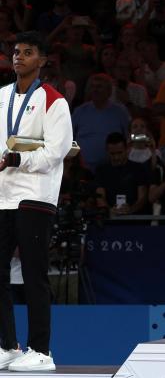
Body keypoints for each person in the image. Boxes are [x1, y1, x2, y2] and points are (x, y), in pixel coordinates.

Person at [0, 31, 72, 371]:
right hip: (2, 196)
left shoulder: (54, 100)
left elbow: (57, 151)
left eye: (28, 52)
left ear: (41, 60)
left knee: (33, 274)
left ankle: (41, 351)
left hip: (36, 196)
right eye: (16, 52)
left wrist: (17, 160)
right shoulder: (1, 97)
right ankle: (8, 345)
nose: (19, 57)